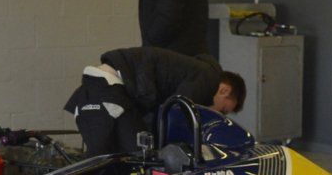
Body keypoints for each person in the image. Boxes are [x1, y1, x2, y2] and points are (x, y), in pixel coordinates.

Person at [65, 46, 238, 155]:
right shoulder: (208, 78)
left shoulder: (191, 69)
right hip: (109, 88)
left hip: (94, 86)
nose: (216, 113)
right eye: (222, 110)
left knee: (117, 156)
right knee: (140, 157)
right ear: (225, 90)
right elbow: (175, 109)